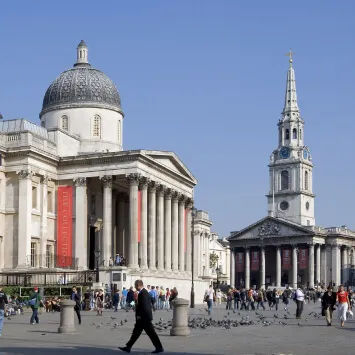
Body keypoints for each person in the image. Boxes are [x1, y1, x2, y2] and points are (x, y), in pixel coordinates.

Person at [118, 280, 164, 354]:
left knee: (151, 333)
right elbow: (152, 300)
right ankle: (128, 347)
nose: (135, 287)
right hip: (144, 317)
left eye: (136, 286)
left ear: (138, 285)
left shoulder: (143, 293)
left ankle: (159, 347)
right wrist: (150, 306)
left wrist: (140, 315)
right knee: (136, 333)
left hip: (144, 318)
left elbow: (144, 306)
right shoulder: (144, 292)